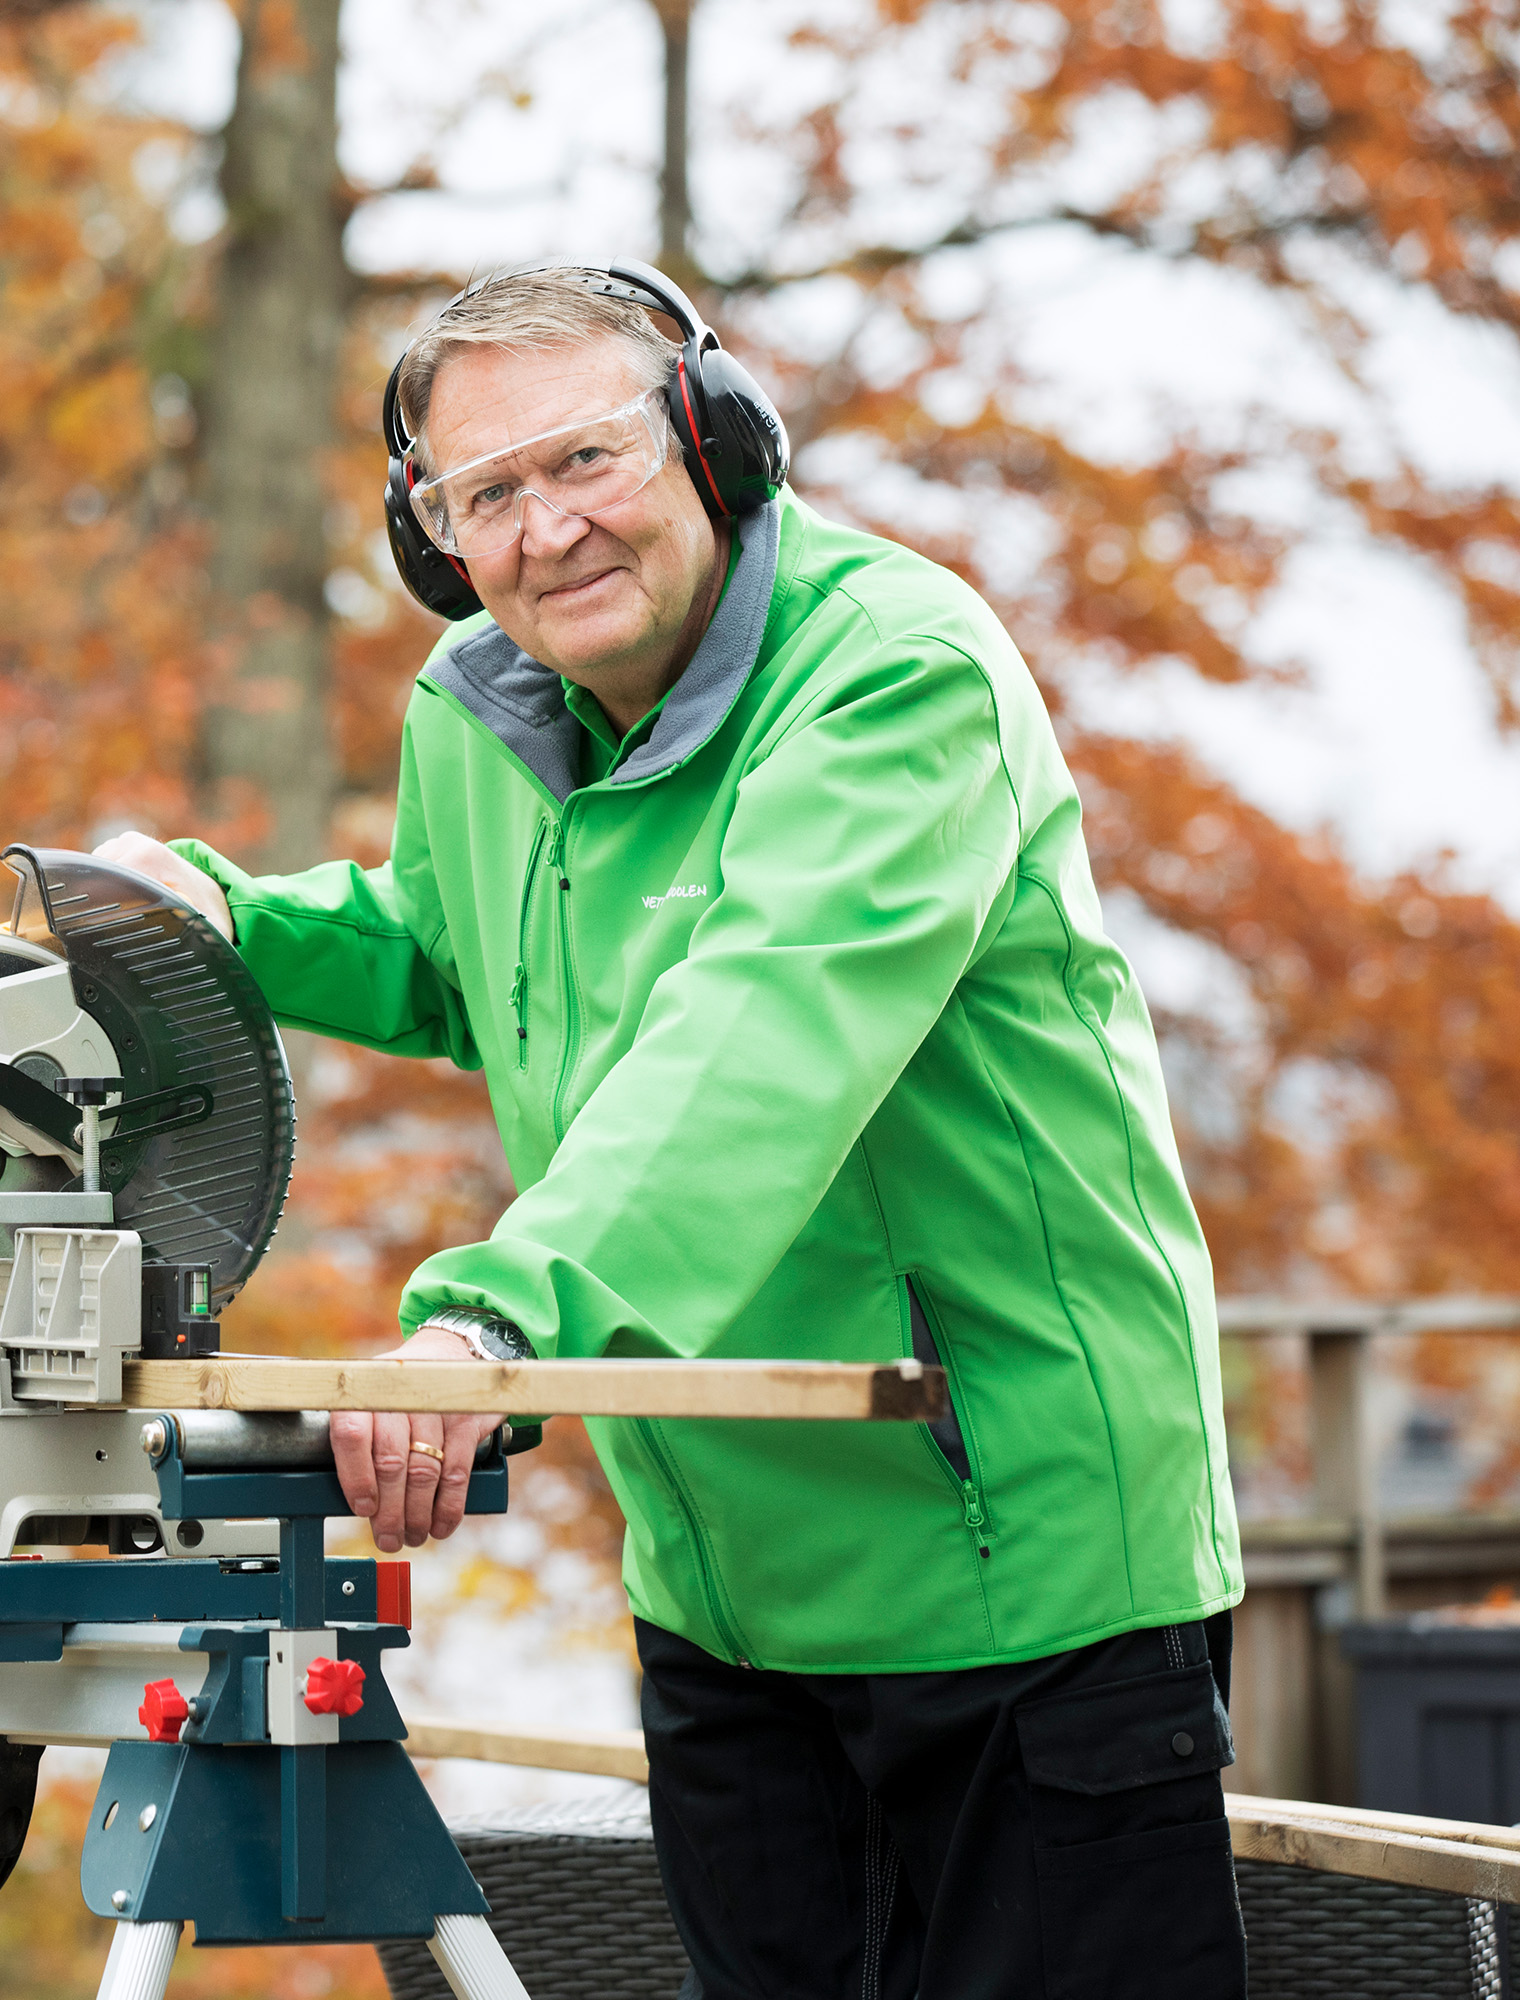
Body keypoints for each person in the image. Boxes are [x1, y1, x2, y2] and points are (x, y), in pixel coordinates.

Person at [99, 261, 1246, 2000]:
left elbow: (760, 1043)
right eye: (488, 494)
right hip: (724, 1590)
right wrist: (229, 926)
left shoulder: (894, 679)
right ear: (434, 534)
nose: (548, 529)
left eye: (587, 461)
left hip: (1024, 1575)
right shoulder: (476, 711)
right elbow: (459, 953)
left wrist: (493, 1318)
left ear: (712, 441)